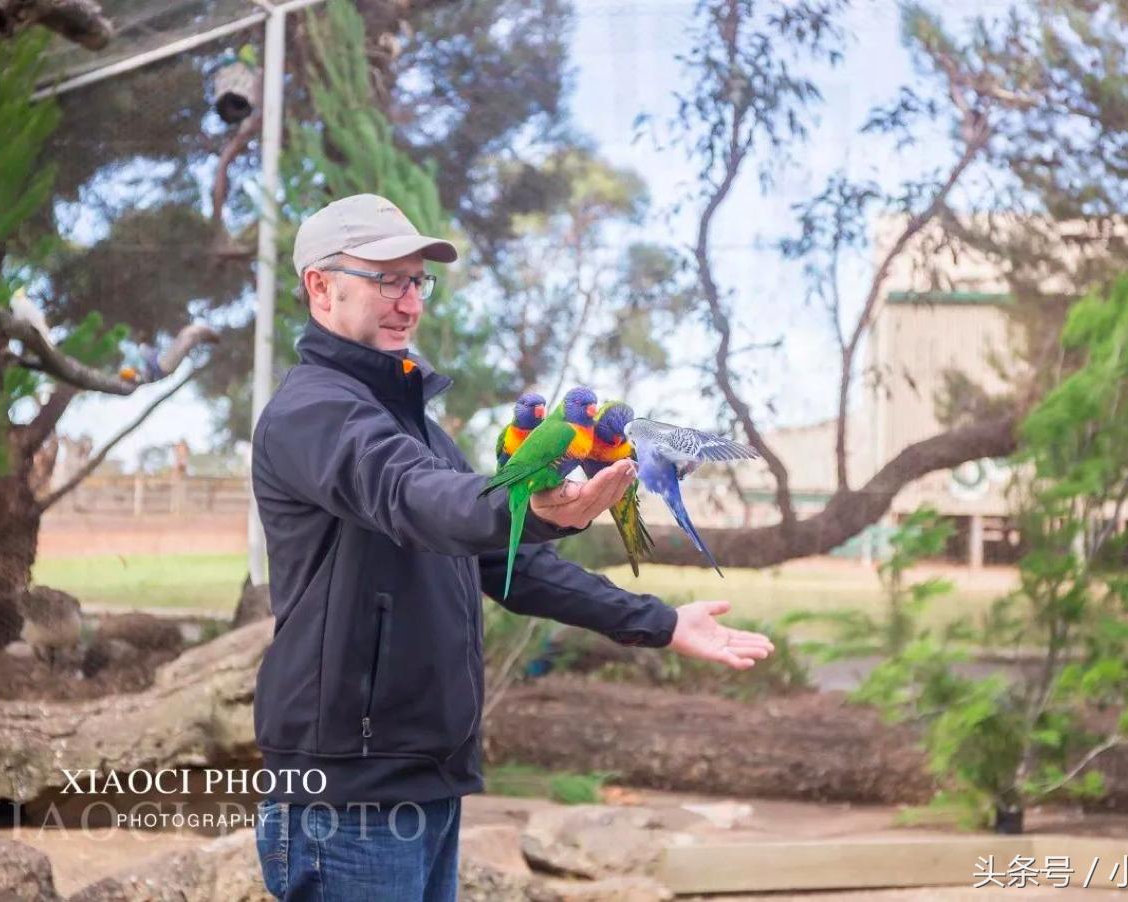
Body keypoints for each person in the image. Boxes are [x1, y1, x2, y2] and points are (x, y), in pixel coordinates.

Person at [251, 193, 776, 901]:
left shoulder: (417, 428)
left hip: (421, 775)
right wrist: (523, 505)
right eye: (386, 280)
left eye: (416, 282)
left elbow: (506, 563)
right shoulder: (314, 413)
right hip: (348, 793)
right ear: (320, 285)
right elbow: (416, 499)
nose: (408, 303)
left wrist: (659, 621)